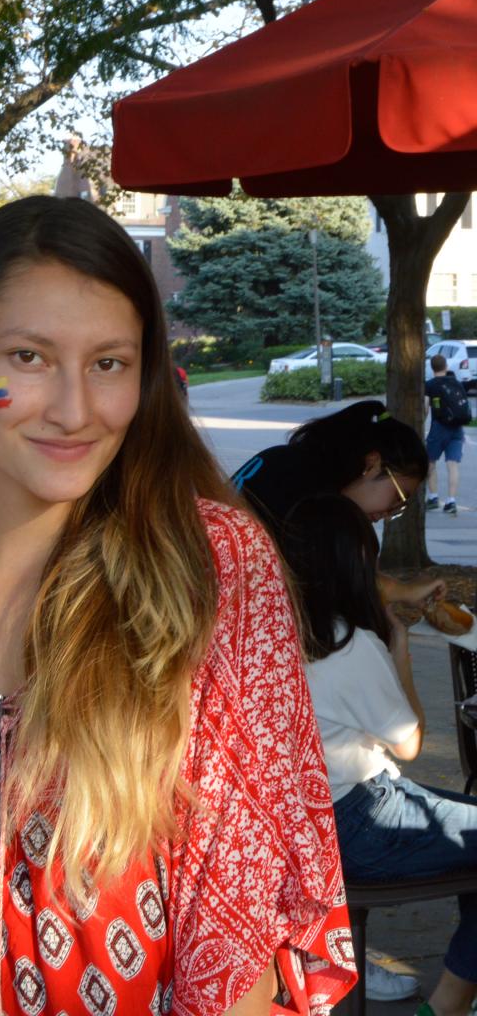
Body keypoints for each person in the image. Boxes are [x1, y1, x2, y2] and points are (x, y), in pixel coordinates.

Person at [0, 197, 354, 1015]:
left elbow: (247, 923)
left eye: (109, 364)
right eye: (29, 356)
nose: (76, 410)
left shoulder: (210, 566)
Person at [284, 492, 477, 1016]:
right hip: (360, 819)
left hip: (301, 820)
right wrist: (400, 650)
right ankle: (448, 1003)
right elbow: (410, 744)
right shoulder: (347, 644)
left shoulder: (273, 632)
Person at [230, 399, 441, 612]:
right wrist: (403, 591)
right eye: (397, 496)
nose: (388, 512)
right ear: (372, 464)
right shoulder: (313, 498)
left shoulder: (283, 460)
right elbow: (337, 580)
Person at [424, 353, 467, 515]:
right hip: (457, 428)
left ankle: (434, 497)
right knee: (453, 465)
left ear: (432, 367)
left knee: (430, 462)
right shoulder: (456, 383)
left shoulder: (430, 385)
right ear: (446, 366)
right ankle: (451, 502)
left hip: (439, 427)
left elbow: (425, 408)